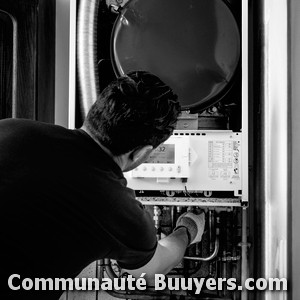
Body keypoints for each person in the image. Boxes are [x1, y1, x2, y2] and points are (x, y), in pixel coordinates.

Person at [0, 71, 205, 299]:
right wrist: (188, 228)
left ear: (94, 112)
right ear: (142, 153)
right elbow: (151, 271)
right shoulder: (116, 208)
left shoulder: (10, 128)